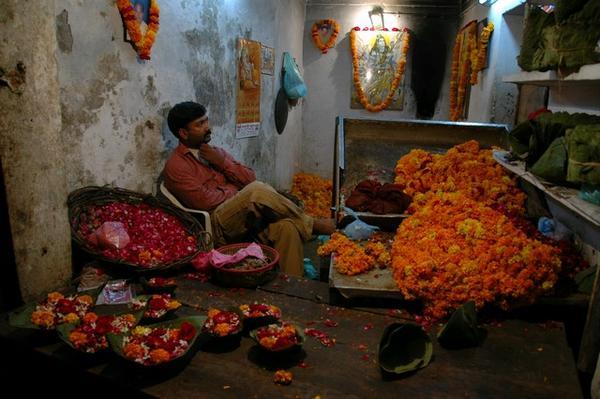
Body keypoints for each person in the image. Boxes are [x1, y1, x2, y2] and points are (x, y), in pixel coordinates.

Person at [162, 101, 336, 276]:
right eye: (199, 124)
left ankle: (289, 287)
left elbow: (249, 178)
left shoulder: (214, 152)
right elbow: (204, 201)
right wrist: (236, 193)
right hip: (215, 224)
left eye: (206, 121)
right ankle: (314, 225)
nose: (207, 127)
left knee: (287, 227)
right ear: (183, 133)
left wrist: (221, 162)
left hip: (243, 217)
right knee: (256, 191)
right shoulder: (176, 166)